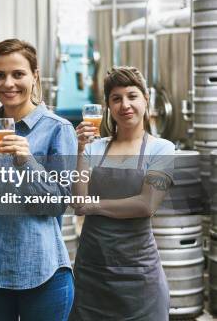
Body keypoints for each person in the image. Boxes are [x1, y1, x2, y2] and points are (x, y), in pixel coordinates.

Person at [0, 39, 76, 321]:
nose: (8, 83)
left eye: (18, 74)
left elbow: (58, 203)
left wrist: (27, 161)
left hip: (42, 271)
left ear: (35, 76)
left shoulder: (57, 129)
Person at [69, 66, 174, 320]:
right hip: (92, 274)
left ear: (145, 99)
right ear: (107, 106)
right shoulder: (95, 148)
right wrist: (80, 149)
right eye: (116, 99)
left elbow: (146, 205)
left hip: (139, 276)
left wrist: (93, 205)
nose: (125, 105)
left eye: (132, 96)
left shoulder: (162, 148)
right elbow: (77, 199)